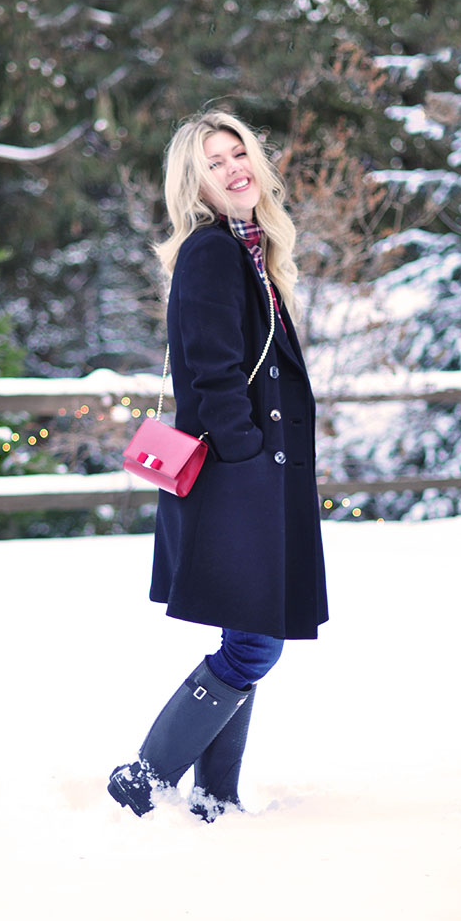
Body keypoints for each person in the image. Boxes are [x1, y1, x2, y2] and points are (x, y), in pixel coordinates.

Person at [108, 109, 328, 821]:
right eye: (215, 161)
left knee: (249, 632)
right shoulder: (212, 251)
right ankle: (144, 777)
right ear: (194, 183)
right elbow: (212, 370)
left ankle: (215, 796)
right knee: (255, 642)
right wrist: (248, 455)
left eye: (240, 153)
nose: (236, 168)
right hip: (238, 476)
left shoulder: (251, 251)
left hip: (255, 475)